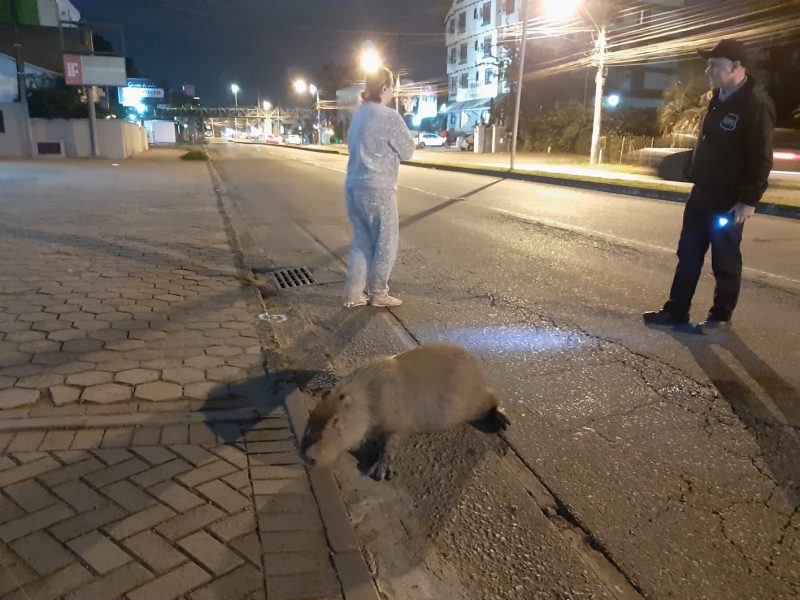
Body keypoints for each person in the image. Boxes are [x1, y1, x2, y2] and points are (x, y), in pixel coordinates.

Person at [643, 39, 775, 333]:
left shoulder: (755, 105)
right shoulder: (718, 98)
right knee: (688, 253)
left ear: (736, 67)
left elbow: (762, 157)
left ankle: (720, 318)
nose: (708, 70)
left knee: (724, 260)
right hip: (702, 193)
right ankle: (676, 310)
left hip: (729, 199)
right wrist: (692, 169)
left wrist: (749, 200)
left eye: (715, 65)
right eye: (709, 64)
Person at [342, 67, 416, 308]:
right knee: (386, 239)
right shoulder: (389, 117)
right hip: (378, 186)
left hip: (353, 184)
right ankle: (378, 292)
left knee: (362, 241)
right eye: (391, 87)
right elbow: (408, 151)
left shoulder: (359, 114)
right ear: (384, 87)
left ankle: (354, 294)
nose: (392, 92)